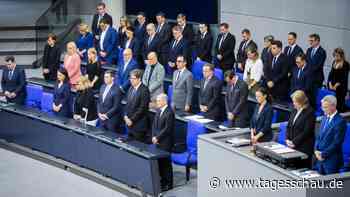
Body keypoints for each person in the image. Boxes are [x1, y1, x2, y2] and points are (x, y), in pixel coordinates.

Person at [314, 95, 346, 175]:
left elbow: (337, 143)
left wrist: (323, 154)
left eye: (325, 107)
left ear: (333, 106)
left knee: (330, 186)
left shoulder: (340, 121)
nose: (323, 109)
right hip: (319, 158)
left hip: (331, 161)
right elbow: (319, 136)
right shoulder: (325, 117)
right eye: (322, 107)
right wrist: (316, 150)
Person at [286, 90, 315, 168]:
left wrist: (294, 142)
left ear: (301, 102)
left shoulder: (310, 112)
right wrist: (287, 139)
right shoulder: (294, 110)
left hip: (303, 148)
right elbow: (289, 126)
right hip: (292, 146)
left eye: (295, 102)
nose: (293, 104)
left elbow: (306, 132)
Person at [151, 93, 174, 192]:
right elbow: (154, 125)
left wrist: (158, 137)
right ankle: (162, 181)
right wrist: (153, 136)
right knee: (160, 162)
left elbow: (167, 129)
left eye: (158, 101)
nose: (157, 103)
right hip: (157, 141)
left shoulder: (169, 113)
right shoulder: (158, 111)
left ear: (164, 101)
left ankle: (168, 184)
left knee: (166, 164)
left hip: (165, 142)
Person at [124, 69, 151, 143]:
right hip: (129, 124)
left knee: (137, 145)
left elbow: (142, 108)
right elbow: (127, 104)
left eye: (133, 78)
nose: (131, 80)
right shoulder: (130, 88)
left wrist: (131, 120)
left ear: (139, 79)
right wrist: (126, 116)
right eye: (130, 78)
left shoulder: (144, 90)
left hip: (139, 125)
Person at [327, 48, 349, 112]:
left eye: (337, 56)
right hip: (333, 85)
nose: (335, 57)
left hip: (341, 87)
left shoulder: (346, 64)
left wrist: (336, 85)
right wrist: (330, 83)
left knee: (340, 108)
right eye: (335, 55)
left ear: (341, 56)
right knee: (333, 103)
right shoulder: (334, 62)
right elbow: (331, 74)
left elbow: (344, 78)